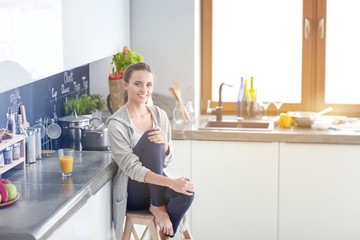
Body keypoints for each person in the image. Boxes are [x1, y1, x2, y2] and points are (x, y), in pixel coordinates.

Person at [106, 62, 195, 240]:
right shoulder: (116, 124)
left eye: (148, 85)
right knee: (151, 138)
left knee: (187, 193)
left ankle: (164, 236)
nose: (144, 90)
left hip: (155, 187)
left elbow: (167, 161)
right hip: (133, 192)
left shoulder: (159, 115)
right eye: (137, 84)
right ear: (126, 85)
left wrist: (166, 146)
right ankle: (158, 206)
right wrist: (170, 183)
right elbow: (132, 169)